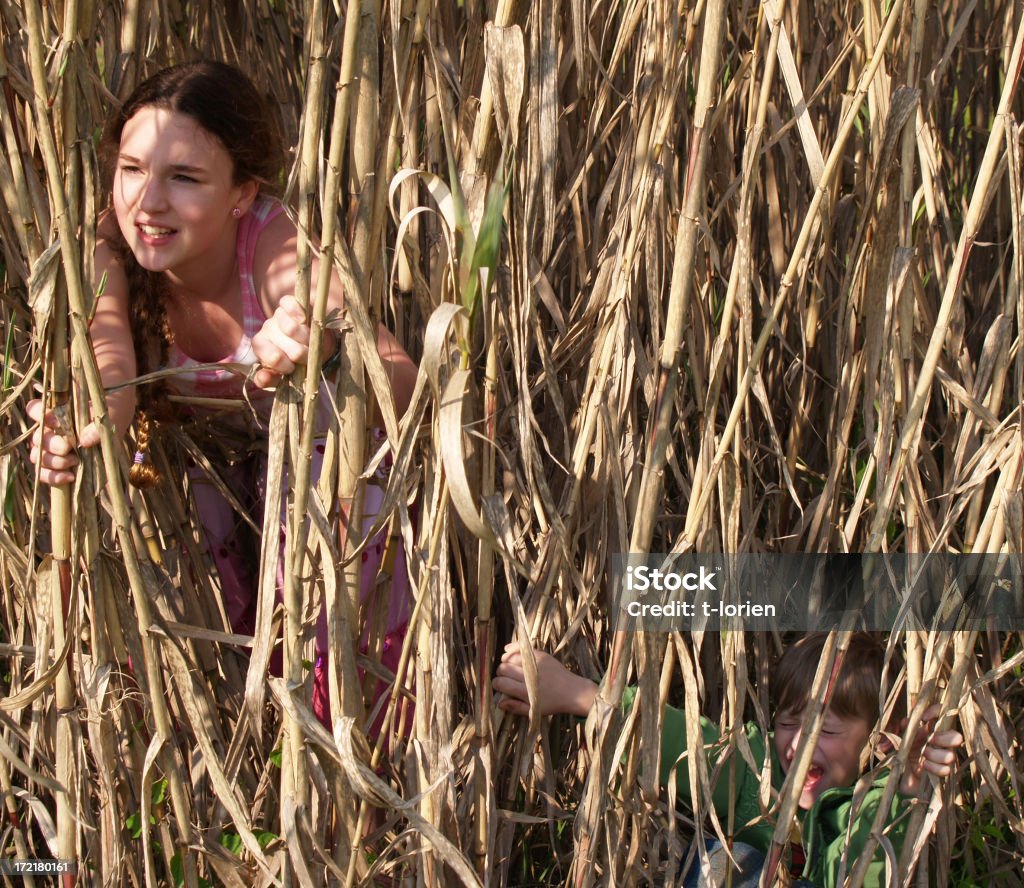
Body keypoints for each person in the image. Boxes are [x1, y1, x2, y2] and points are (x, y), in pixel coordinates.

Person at [27, 60, 418, 729]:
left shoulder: (267, 236)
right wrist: (78, 427)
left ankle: (358, 748)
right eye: (131, 169)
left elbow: (388, 369)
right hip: (198, 487)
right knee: (213, 638)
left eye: (183, 178)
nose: (147, 203)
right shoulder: (106, 253)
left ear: (242, 192)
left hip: (310, 491)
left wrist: (314, 332)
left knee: (325, 475)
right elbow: (109, 360)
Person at [493, 632, 964, 888]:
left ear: (881, 742)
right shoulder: (758, 770)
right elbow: (686, 743)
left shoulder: (876, 804)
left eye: (828, 730)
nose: (797, 745)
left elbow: (868, 870)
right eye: (787, 723)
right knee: (727, 861)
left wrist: (907, 788)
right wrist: (582, 695)